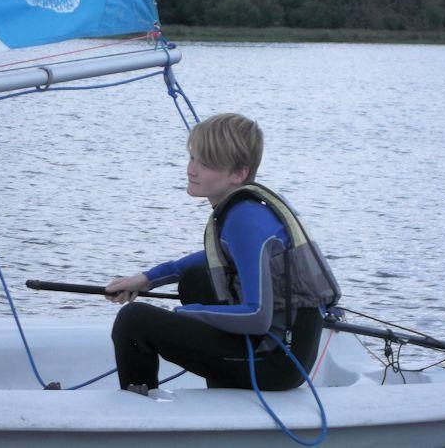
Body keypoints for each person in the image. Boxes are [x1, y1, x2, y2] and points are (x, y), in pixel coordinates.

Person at [105, 113, 340, 394]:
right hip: (281, 349)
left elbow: (257, 316)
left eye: (205, 164)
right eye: (192, 158)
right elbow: (216, 257)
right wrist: (147, 279)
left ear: (239, 173)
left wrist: (184, 314)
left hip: (276, 363)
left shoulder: (244, 218)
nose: (192, 170)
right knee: (195, 278)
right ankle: (224, 390)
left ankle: (139, 419)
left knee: (134, 321)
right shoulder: (245, 210)